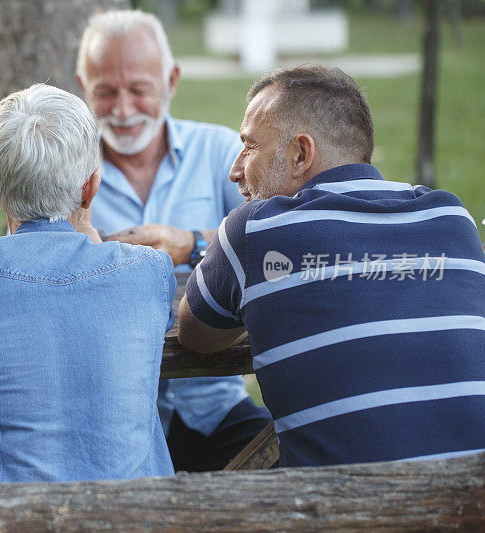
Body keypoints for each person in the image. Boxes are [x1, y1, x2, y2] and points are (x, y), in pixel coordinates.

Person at [178, 64, 485, 466]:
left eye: (249, 146)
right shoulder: (451, 217)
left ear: (300, 154)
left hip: (346, 510)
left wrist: (267, 311)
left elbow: (195, 335)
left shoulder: (255, 229)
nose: (236, 169)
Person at [0, 83, 175, 492]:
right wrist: (81, 215)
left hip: (4, 518)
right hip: (136, 515)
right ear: (91, 187)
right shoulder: (149, 271)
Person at [76, 9, 271, 472]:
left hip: (214, 405)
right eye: (105, 92)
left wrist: (194, 244)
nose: (123, 110)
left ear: (172, 80)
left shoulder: (222, 151)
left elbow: (281, 233)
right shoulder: (63, 168)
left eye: (140, 90)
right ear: (83, 84)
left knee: (282, 475)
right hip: (105, 418)